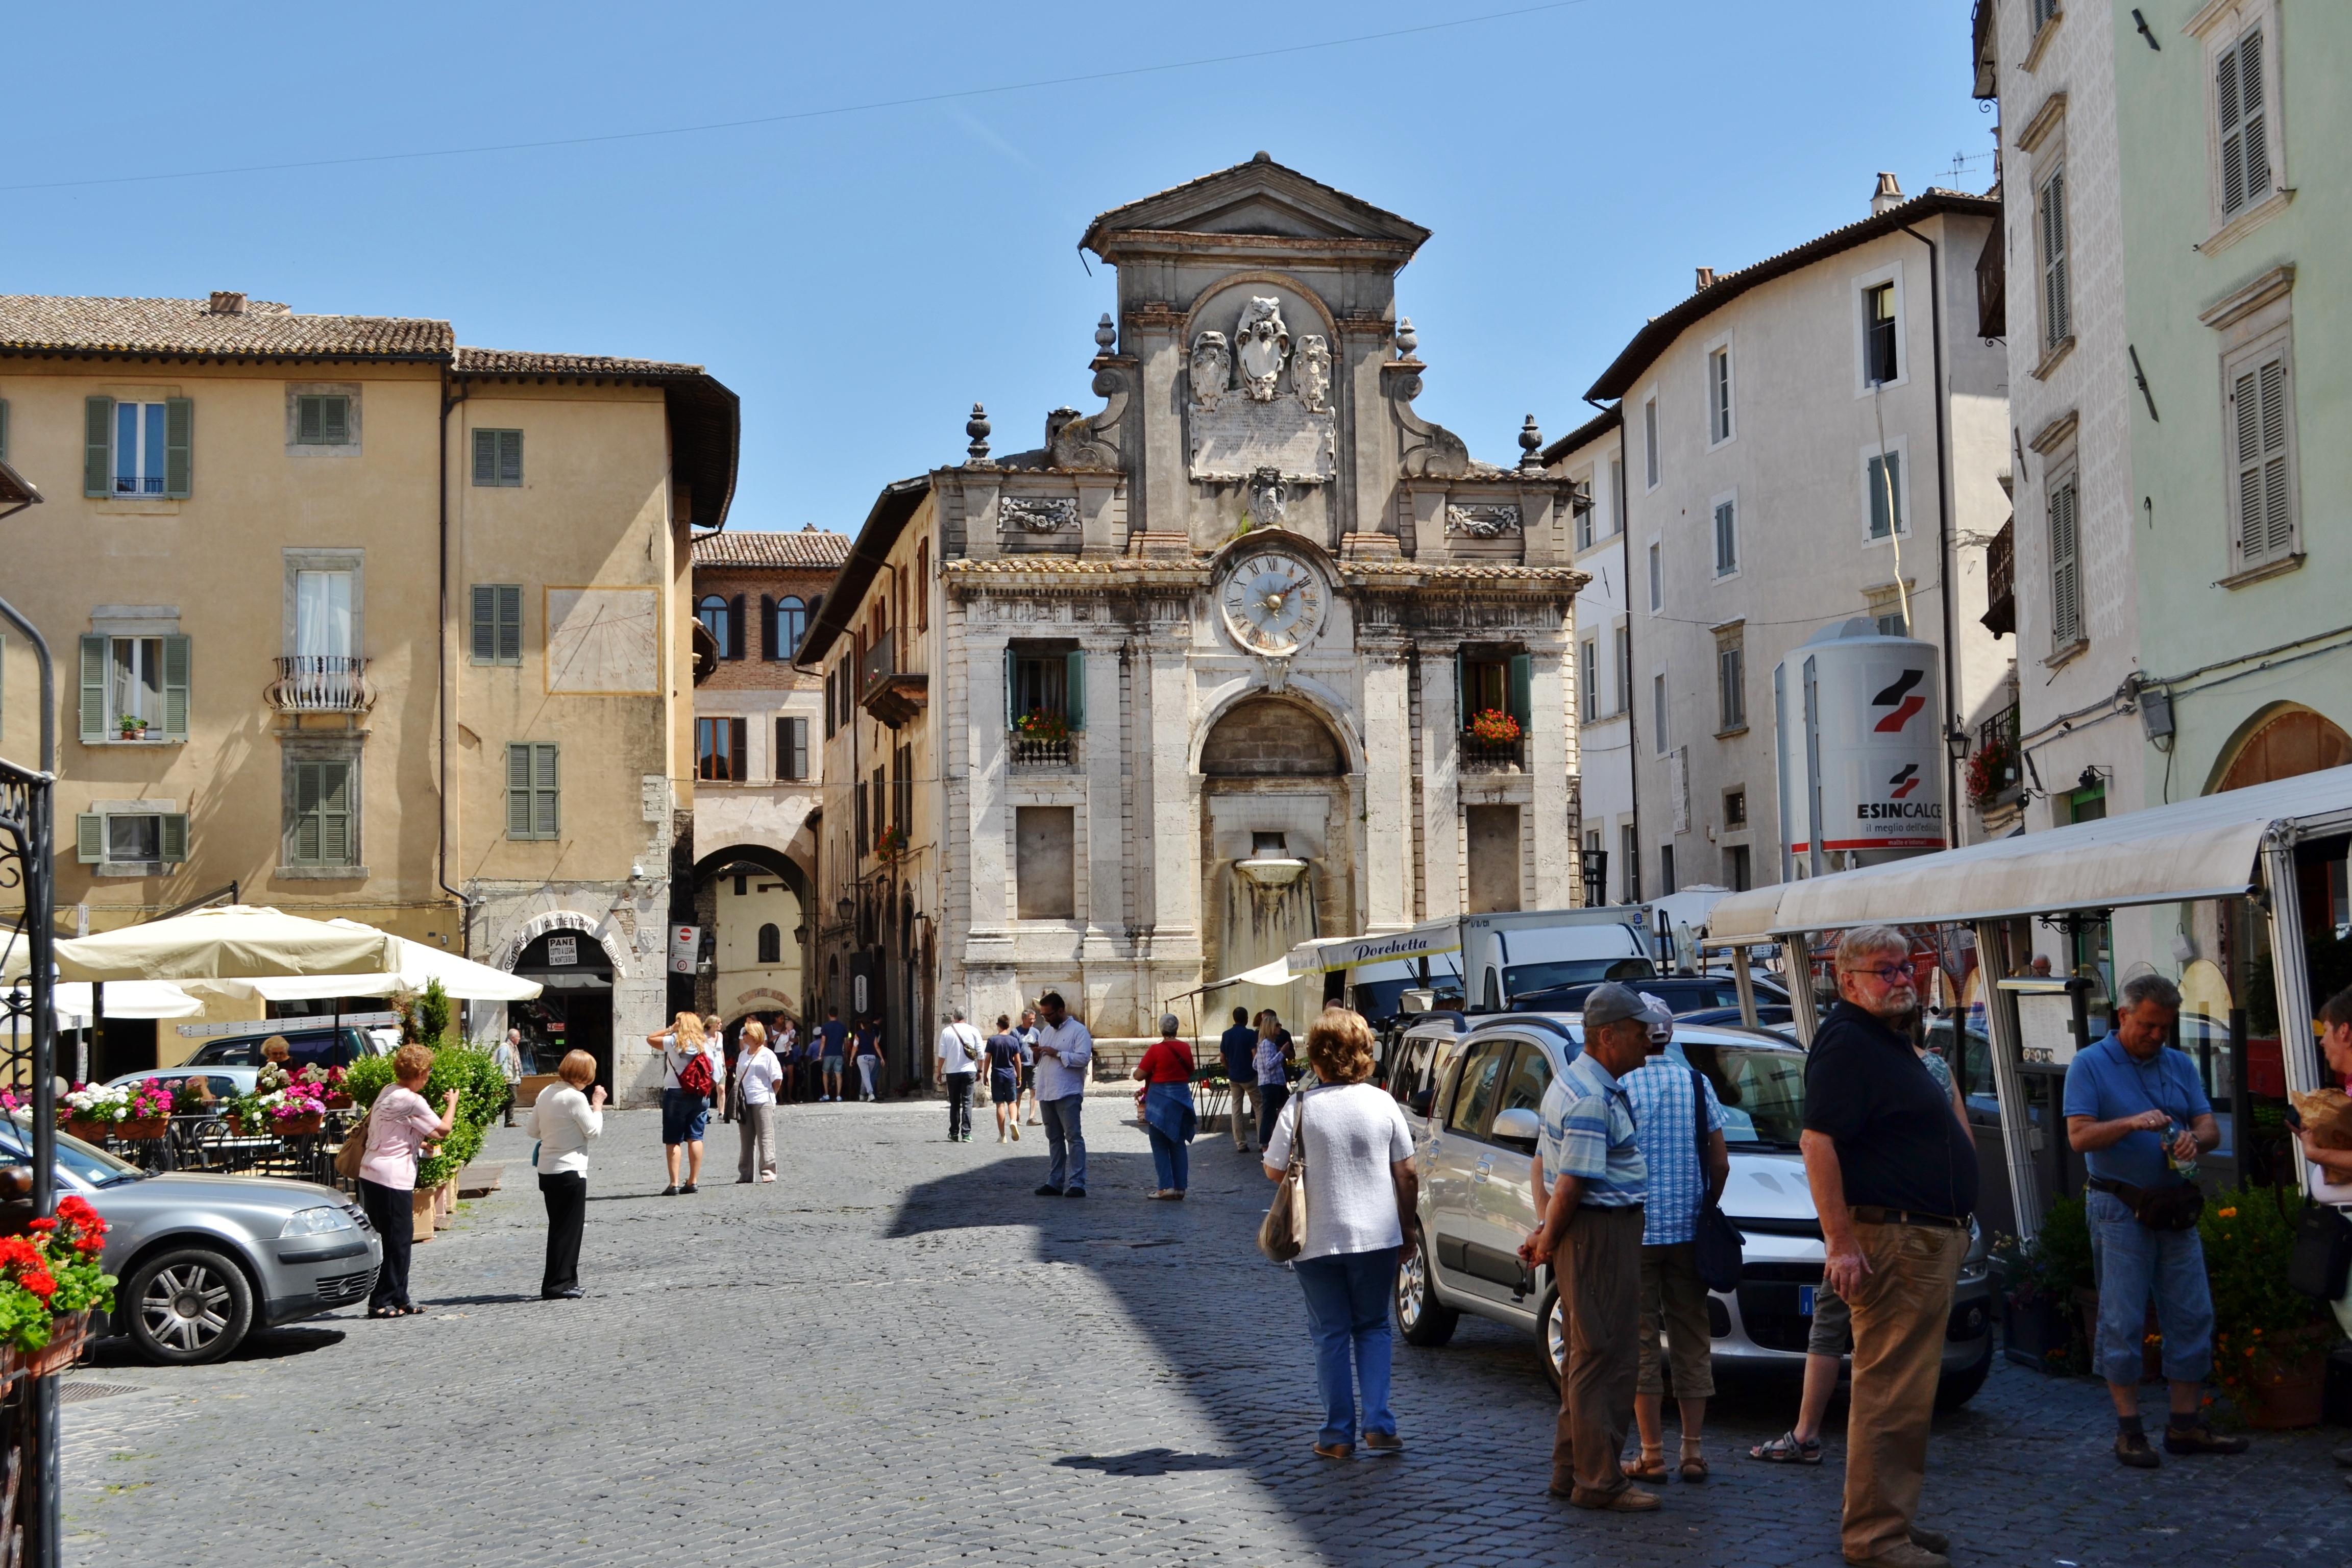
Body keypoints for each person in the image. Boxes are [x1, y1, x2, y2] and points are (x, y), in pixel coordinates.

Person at [1802, 926, 1978, 1567]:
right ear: (1848, 982)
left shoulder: (1885, 1041)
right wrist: (1841, 1243)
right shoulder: (1849, 1041)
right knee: (1891, 1394)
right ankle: (1876, 1539)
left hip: (1922, 1237)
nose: (1903, 979)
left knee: (1906, 1394)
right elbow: (1816, 1143)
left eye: (1907, 968)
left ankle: (1888, 1521)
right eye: (1885, 970)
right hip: (1895, 1240)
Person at [1753, 1007, 1970, 1468]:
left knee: (1833, 1328)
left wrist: (1841, 1234)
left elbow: (1821, 1140)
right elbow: (1964, 1143)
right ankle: (1885, 1456)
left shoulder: (1875, 1064)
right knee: (1901, 1352)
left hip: (1873, 1227)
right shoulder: (1935, 1068)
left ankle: (1809, 1432)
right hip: (1931, 1224)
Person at [2063, 971, 2243, 1469]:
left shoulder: (2179, 1064)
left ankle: (2185, 1426)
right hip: (2119, 1208)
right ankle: (2129, 1431)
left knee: (2192, 1312)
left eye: (2165, 1027)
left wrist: (2196, 1139)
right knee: (2122, 1319)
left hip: (2174, 1206)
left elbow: (2207, 1125)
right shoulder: (2089, 1065)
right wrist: (2131, 1123)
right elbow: (2078, 1138)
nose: (2157, 1036)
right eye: (2148, 1026)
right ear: (2123, 1016)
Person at [1519, 983, 1655, 1513]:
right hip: (1600, 1234)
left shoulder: (1575, 1083)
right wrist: (1548, 1238)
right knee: (1606, 1356)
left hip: (1591, 1231)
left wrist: (1546, 1232)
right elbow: (1571, 1182)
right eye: (1640, 1031)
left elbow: (1544, 1167)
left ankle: (1572, 1469)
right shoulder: (1593, 1096)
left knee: (1585, 1354)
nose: (1649, 1039)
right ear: (1609, 1036)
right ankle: (1598, 1480)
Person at [1262, 1006, 1417, 1459]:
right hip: (1377, 1236)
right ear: (1364, 1053)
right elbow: (1406, 1173)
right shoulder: (1383, 1102)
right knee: (1373, 1327)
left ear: (1317, 1056)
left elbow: (1275, 1170)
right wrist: (1407, 1232)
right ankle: (1379, 1424)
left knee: (1330, 1333)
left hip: (1316, 1238)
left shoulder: (1301, 1106)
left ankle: (1336, 1435)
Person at [1618, 993, 1728, 1484]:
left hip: (1637, 1231)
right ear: (1671, 1035)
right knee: (1691, 1337)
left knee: (1640, 1342)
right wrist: (1706, 1201)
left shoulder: (1621, 1087)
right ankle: (1693, 1451)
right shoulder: (1697, 1084)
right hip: (1688, 1233)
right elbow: (1721, 1162)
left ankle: (1651, 1453)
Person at [357, 1043, 460, 1318]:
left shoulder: (389, 1091)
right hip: (392, 1177)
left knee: (396, 1239)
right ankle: (380, 1300)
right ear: (422, 1072)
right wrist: (453, 1103)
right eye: (428, 1071)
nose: (429, 1076)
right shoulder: (413, 1100)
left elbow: (394, 1130)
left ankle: (400, 1297)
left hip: (373, 1172)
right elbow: (443, 1130)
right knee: (397, 1240)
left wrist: (419, 1143)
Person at [526, 1049, 605, 1298]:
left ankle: (568, 1280)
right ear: (585, 1074)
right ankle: (557, 1285)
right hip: (570, 1170)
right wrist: (599, 1106)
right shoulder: (575, 1098)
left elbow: (532, 1130)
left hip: (548, 1169)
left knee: (561, 1227)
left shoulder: (546, 1093)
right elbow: (593, 1132)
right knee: (568, 1229)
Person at [649, 1012, 719, 1196]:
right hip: (700, 1094)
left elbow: (650, 1039)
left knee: (674, 1139)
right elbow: (717, 1073)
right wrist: (706, 1088)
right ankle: (693, 1181)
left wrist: (670, 1029)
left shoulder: (674, 1041)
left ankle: (674, 1184)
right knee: (696, 1137)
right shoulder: (704, 1042)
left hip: (675, 1092)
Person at [1033, 992, 1093, 1197]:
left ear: (1061, 1011)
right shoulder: (1046, 1032)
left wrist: (1057, 1053)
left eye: (1048, 1015)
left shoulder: (1079, 1031)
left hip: (1067, 1092)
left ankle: (1078, 1183)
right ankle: (1055, 1181)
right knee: (1054, 1139)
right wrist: (1036, 1054)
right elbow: (1040, 1061)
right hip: (1047, 1091)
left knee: (1073, 1137)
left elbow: (1083, 1058)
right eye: (1043, 1016)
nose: (1046, 1019)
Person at [1135, 1015, 1197, 1199]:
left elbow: (1139, 1075)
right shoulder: (1185, 1047)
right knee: (1178, 1143)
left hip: (1161, 1101)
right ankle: (1180, 1188)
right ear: (1177, 1028)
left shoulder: (1156, 1050)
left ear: (1161, 1029)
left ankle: (1165, 1187)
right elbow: (1191, 1070)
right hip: (1180, 1100)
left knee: (1159, 1143)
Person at [733, 1019, 783, 1183]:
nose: (743, 1036)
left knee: (765, 1137)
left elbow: (777, 1078)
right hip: (745, 1101)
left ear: (754, 1035)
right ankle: (746, 1173)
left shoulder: (768, 1054)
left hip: (763, 1100)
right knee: (746, 1140)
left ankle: (768, 1171)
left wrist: (771, 1094)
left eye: (746, 1033)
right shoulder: (742, 1055)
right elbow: (739, 1078)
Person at [937, 1008, 985, 1143]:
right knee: (968, 1102)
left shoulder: (947, 1032)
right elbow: (981, 1054)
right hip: (969, 1070)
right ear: (965, 1017)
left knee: (955, 1103)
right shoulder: (973, 1031)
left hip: (952, 1071)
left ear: (954, 1017)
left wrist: (939, 1071)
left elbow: (942, 1055)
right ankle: (966, 1133)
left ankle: (954, 1132)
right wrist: (980, 1070)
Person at [1219, 1004, 1260, 1152]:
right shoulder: (1250, 1034)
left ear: (1234, 1019)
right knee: (1259, 1106)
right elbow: (1255, 1055)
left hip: (1234, 1077)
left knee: (1236, 1108)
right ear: (1247, 1019)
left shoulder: (1226, 1034)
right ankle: (1262, 1142)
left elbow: (1222, 1058)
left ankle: (1241, 1143)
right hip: (1249, 1076)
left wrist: (1230, 1069)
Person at [1254, 1011, 1296, 1150]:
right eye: (1278, 1025)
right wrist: (1282, 1052)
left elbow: (1256, 1064)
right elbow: (1269, 1064)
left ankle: (1275, 1141)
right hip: (1271, 1083)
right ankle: (1265, 1145)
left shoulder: (1265, 1044)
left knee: (1281, 1110)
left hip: (1274, 1083)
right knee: (1269, 1115)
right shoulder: (1268, 1045)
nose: (1280, 1027)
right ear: (1271, 1027)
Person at [985, 1015, 1026, 1143]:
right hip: (1010, 1074)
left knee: (1000, 1104)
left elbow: (988, 1059)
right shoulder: (1013, 1041)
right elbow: (1018, 1061)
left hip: (997, 1074)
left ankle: (1002, 1135)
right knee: (1012, 1101)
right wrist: (1019, 1076)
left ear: (998, 1025)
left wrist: (985, 1074)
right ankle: (1014, 1121)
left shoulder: (992, 1040)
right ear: (1009, 1026)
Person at [493, 1027, 525, 1128]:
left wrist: (518, 1078)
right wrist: (503, 1077)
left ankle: (509, 1121)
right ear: (513, 1037)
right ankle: (493, 1113)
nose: (520, 1039)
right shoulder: (505, 1047)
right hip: (508, 1079)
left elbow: (516, 1064)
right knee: (512, 1098)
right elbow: (503, 1063)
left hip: (513, 1078)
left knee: (511, 1099)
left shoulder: (514, 1047)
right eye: (518, 1037)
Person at [816, 1006, 847, 1102]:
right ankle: (838, 1095)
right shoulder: (843, 1027)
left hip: (828, 1054)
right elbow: (846, 1042)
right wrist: (846, 1053)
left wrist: (820, 1053)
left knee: (825, 1073)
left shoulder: (825, 1027)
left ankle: (826, 1094)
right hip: (839, 1054)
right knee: (839, 1075)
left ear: (829, 1015)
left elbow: (823, 1041)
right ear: (837, 1015)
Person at [1017, 1009, 1043, 1126]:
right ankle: (1016, 1116)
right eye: (1030, 1019)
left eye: (1034, 1019)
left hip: (1033, 1066)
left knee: (1034, 1090)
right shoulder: (1016, 1032)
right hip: (1021, 1066)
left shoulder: (1036, 1032)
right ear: (1024, 1019)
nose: (1033, 1021)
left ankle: (1031, 1117)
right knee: (1019, 1092)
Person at [852, 1015, 884, 1101]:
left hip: (862, 1057)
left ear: (862, 1025)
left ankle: (871, 1094)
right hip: (872, 1058)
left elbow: (855, 1047)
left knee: (865, 1076)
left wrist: (851, 1058)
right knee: (866, 1077)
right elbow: (877, 1047)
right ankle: (862, 1095)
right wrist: (881, 1058)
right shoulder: (873, 1034)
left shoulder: (858, 1034)